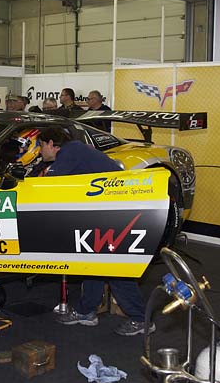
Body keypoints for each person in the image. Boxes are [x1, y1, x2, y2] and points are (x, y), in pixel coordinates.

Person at [38, 126, 155, 336]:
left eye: (40, 146)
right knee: (94, 261)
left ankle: (141, 319)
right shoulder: (78, 150)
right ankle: (86, 311)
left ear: (50, 143)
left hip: (114, 214)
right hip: (107, 211)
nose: (40, 152)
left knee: (113, 266)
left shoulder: (70, 151)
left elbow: (48, 185)